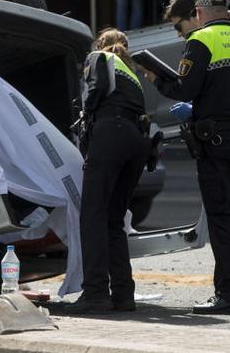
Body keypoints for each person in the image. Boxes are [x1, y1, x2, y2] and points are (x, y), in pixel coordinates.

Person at [143, 0, 230, 315]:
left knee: (222, 218)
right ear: (226, 11)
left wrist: (157, 78)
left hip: (216, 142)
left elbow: (185, 88)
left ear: (199, 13)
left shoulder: (200, 41)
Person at [65, 28, 151, 314]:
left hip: (110, 133)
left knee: (92, 216)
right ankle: (124, 296)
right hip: (135, 142)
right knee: (114, 220)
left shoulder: (98, 57)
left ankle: (96, 293)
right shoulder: (131, 71)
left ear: (99, 44)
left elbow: (95, 91)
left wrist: (84, 116)